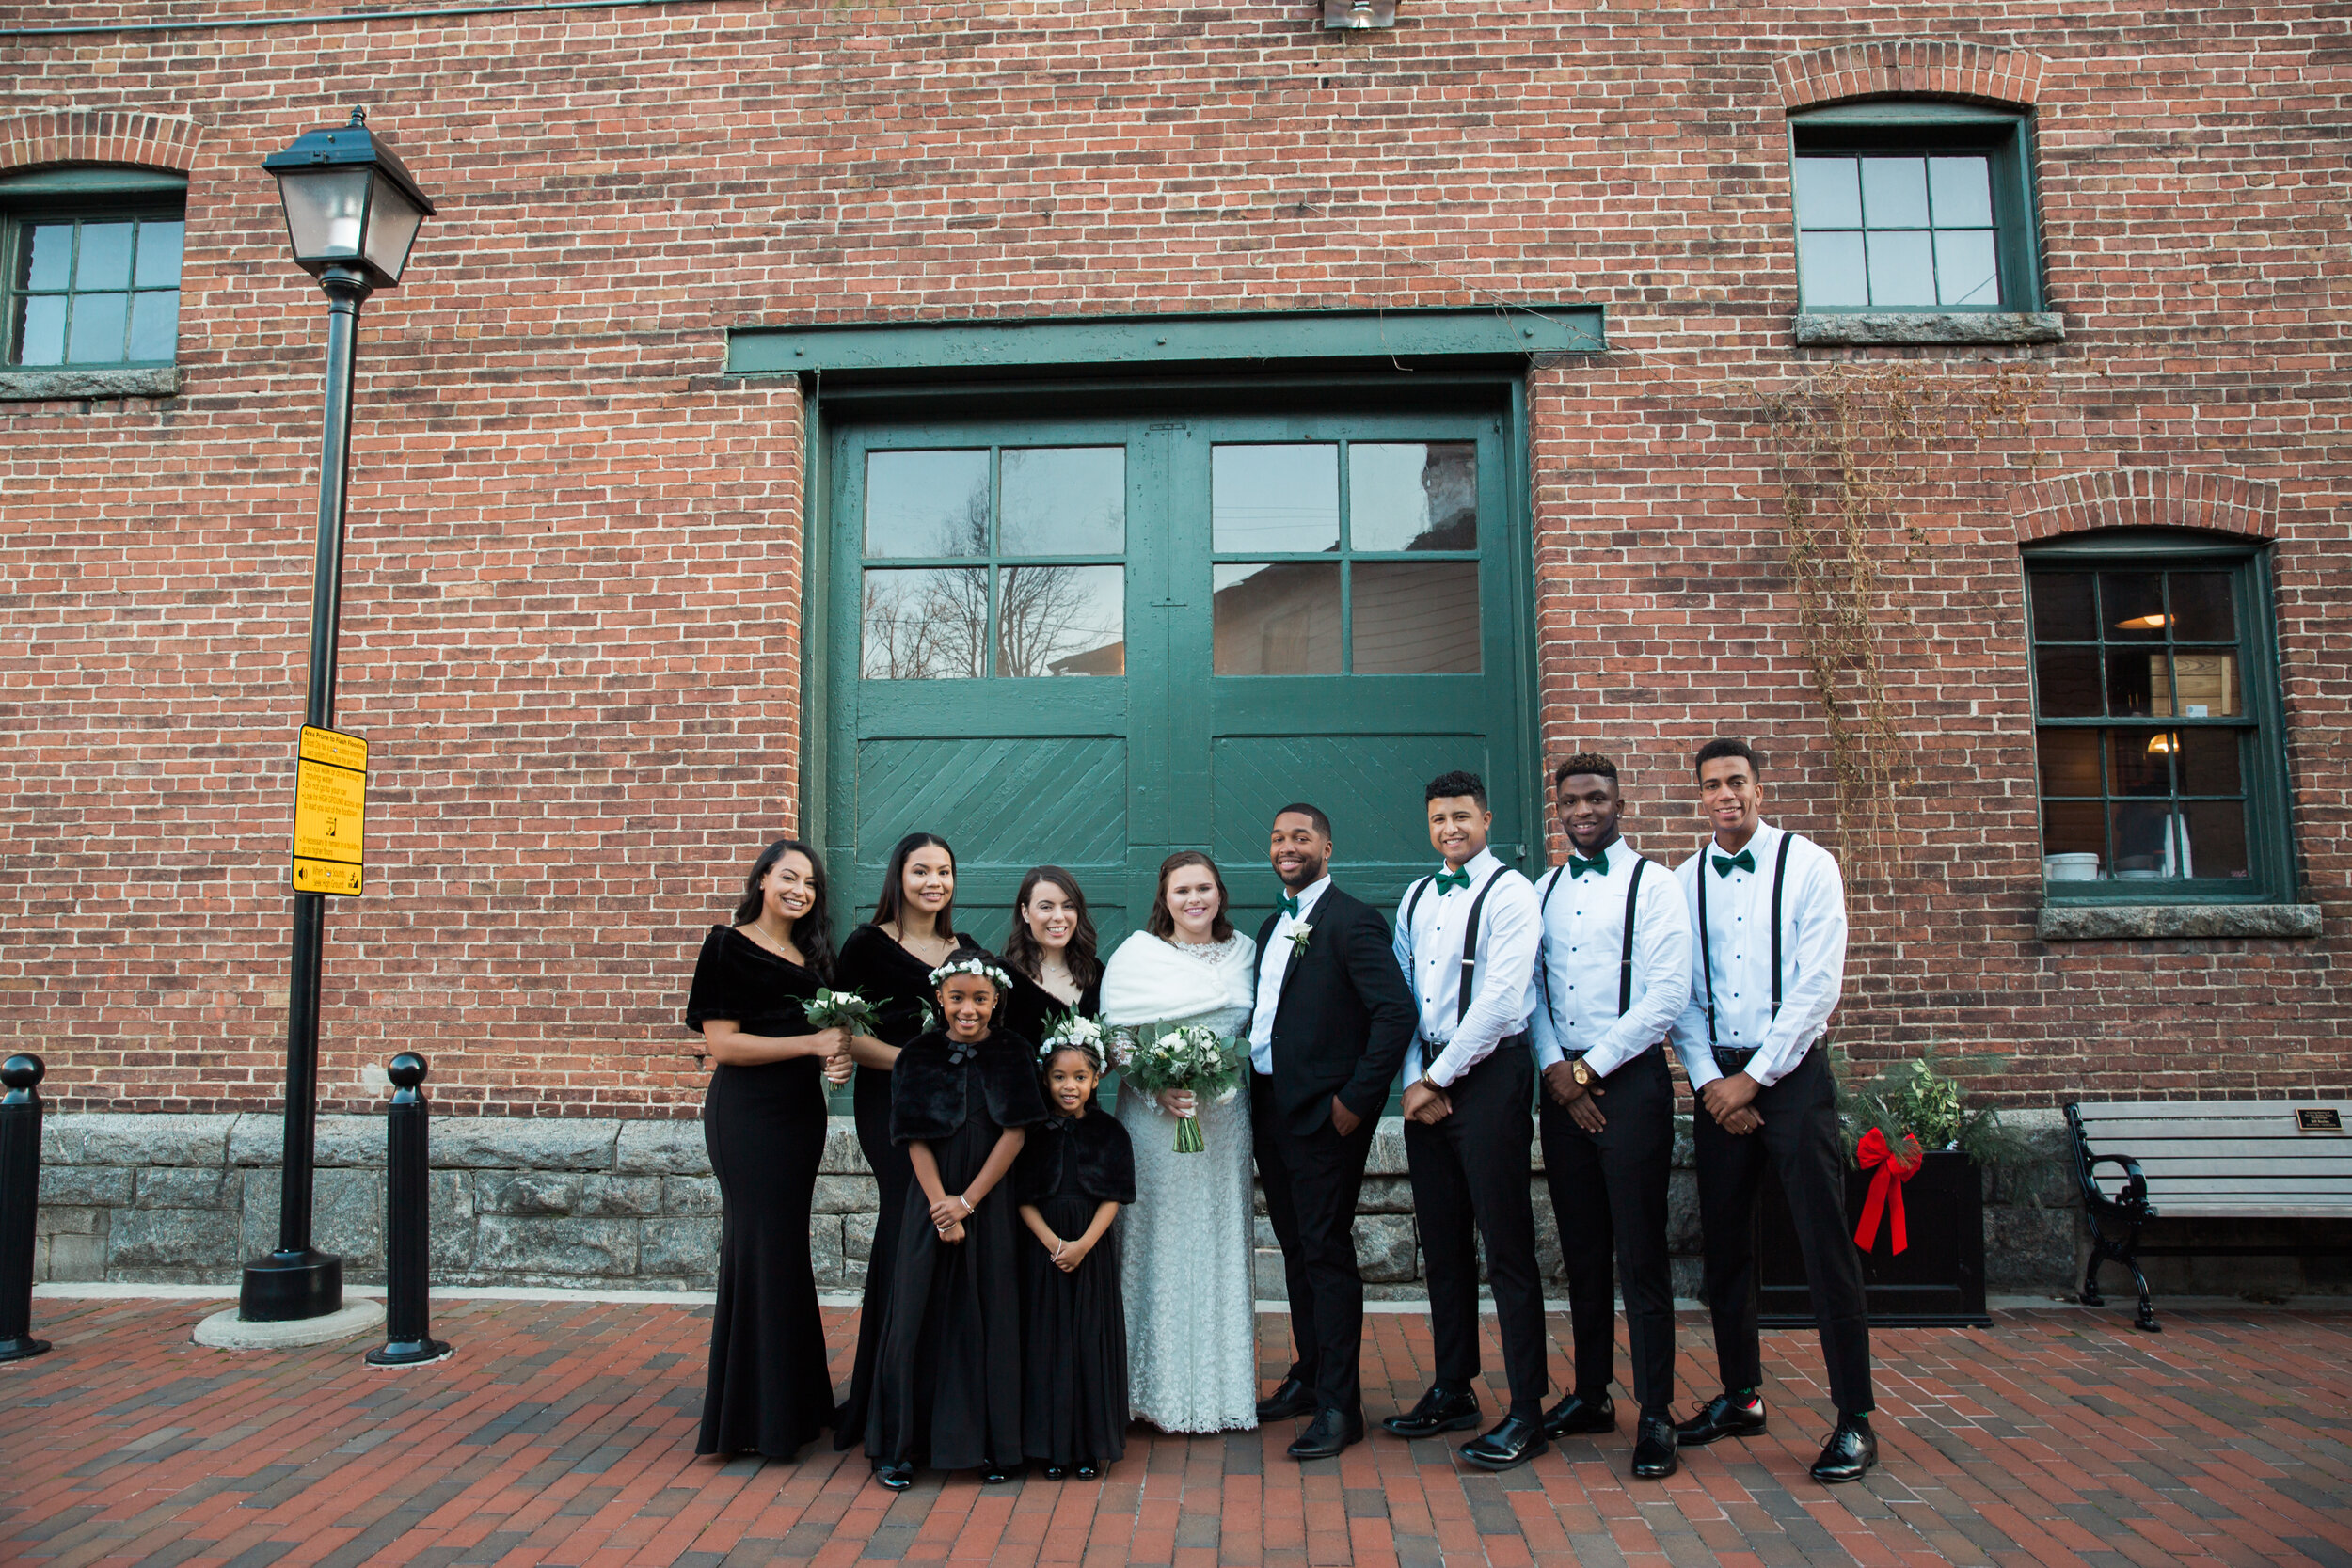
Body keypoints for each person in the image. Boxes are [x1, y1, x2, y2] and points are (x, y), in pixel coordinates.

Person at [1667, 738, 1877, 1484]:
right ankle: (1741, 1393)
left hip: (1789, 1077)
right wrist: (1706, 1080)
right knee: (1725, 1251)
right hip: (1716, 1082)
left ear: (1760, 787)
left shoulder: (1811, 865)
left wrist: (1753, 1079)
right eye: (1712, 785)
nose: (1726, 794)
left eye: (1737, 782)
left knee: (1825, 1247)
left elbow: (1819, 984)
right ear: (1699, 796)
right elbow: (1680, 991)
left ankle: (1854, 1418)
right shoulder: (1683, 881)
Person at [1530, 754, 1693, 1481]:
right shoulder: (1541, 889)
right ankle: (1591, 1392)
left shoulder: (1655, 886)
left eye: (1596, 798)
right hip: (1561, 1085)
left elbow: (1666, 994)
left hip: (1627, 1086)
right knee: (1582, 1251)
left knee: (1640, 1253)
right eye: (1571, 800)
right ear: (1557, 808)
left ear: (1619, 801)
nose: (1584, 810)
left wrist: (1588, 1069)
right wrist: (1555, 1073)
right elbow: (1525, 990)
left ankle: (1656, 1411)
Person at [1382, 770, 1549, 1471]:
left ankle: (1528, 1410)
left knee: (1506, 1246)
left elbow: (1505, 996)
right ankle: (1454, 1386)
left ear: (1486, 816)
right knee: (1443, 1242)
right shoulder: (1419, 894)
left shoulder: (1512, 891)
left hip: (1487, 1077)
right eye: (1438, 819)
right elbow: (1399, 995)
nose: (1450, 828)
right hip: (1429, 1080)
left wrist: (1440, 1078)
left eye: (1461, 816)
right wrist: (1414, 1083)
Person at [683, 837, 866, 1459]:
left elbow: (830, 1037)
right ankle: (753, 1419)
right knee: (759, 1247)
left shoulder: (811, 955)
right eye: (789, 876)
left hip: (799, 1116)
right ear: (761, 879)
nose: (800, 889)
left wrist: (835, 1058)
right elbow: (724, 1046)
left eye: (810, 882)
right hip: (748, 1116)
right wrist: (810, 1048)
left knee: (787, 1250)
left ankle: (797, 1402)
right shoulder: (726, 945)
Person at [1248, 803, 1417, 1461]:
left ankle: (1342, 1407)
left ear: (1327, 845)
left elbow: (1394, 1013)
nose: (1287, 846)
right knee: (1295, 1247)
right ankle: (1311, 1373)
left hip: (1326, 1116)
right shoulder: (1272, 924)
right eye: (1278, 836)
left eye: (1301, 837)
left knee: (1325, 1250)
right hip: (1271, 1110)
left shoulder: (1351, 920)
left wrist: (1357, 1099)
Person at [866, 947, 1049, 1489]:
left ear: (997, 1001)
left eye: (980, 999)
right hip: (930, 1202)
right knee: (917, 1317)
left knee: (991, 1315)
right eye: (956, 998)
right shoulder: (918, 1055)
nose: (967, 1009)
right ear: (940, 999)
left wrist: (967, 1202)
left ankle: (995, 1445)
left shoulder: (1014, 1051)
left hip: (988, 1202)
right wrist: (942, 1208)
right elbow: (914, 1140)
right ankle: (902, 1446)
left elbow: (1015, 1133)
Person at [1099, 851, 1261, 1434]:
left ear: (1220, 893)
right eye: (1181, 891)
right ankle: (1148, 1390)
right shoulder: (1137, 955)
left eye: (1204, 889)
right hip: (1153, 1116)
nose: (1195, 900)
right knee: (1156, 1238)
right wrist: (1156, 1085)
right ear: (1163, 899)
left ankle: (1220, 1391)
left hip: (1223, 1119)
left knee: (1219, 1238)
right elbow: (1115, 1038)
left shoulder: (1247, 951)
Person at [833, 833, 977, 1450]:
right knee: (905, 1226)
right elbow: (848, 1035)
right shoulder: (867, 945)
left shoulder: (965, 949)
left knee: (945, 1241)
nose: (933, 882)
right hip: (889, 1106)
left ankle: (942, 1393)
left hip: (954, 1114)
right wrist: (917, 1063)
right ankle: (882, 1398)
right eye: (921, 870)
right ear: (900, 875)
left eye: (944, 870)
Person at [1016, 1033, 1136, 1479]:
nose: (1070, 1086)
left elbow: (1114, 1196)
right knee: (1045, 1344)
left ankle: (1087, 1446)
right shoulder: (1032, 1132)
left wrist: (1083, 1245)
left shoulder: (1109, 1132)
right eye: (1060, 1076)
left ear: (1095, 1079)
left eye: (1080, 1077)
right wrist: (1052, 1243)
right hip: (1043, 1251)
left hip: (1090, 1252)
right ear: (1045, 1079)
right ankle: (1049, 1447)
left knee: (1088, 1343)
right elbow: (1022, 1197)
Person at [1001, 865, 1104, 1045]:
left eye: (1068, 906)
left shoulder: (1095, 974)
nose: (1058, 916)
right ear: (1025, 912)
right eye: (1046, 907)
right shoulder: (1005, 977)